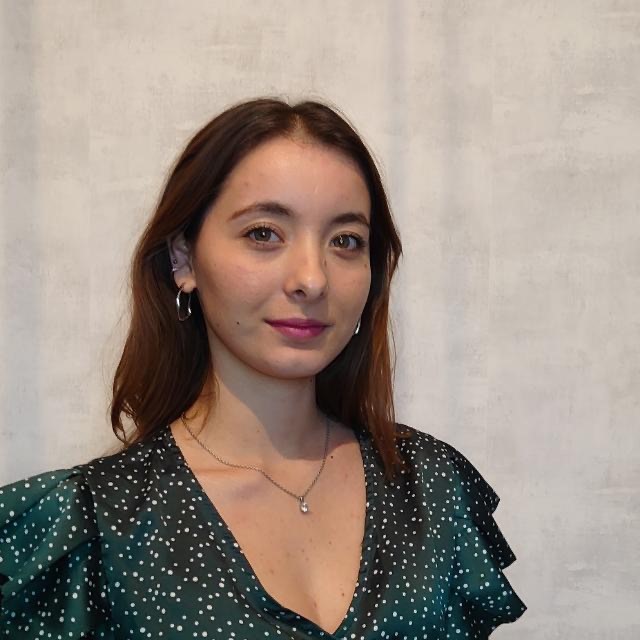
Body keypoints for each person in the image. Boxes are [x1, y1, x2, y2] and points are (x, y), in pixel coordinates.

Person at [0, 97, 526, 638]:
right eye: (263, 233)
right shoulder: (91, 526)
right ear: (183, 258)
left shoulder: (430, 487)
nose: (312, 279)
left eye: (346, 241)